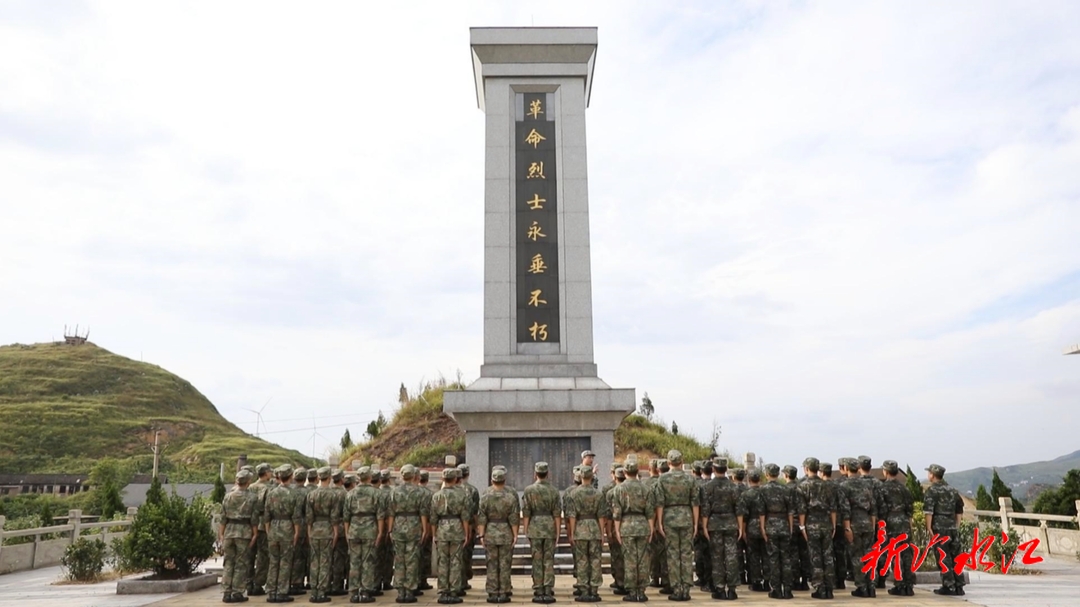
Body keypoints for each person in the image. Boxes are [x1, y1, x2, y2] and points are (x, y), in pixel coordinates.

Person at [654, 449, 699, 601]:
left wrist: (659, 522)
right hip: (686, 517)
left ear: (668, 463)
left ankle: (676, 589)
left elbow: (660, 503)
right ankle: (686, 588)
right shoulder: (690, 479)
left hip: (669, 518)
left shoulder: (662, 479)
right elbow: (695, 503)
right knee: (686, 554)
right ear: (682, 461)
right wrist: (695, 522)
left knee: (673, 555)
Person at [611, 458, 656, 603]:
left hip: (627, 526)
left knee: (629, 560)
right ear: (637, 471)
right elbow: (650, 512)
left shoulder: (618, 489)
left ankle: (631, 591)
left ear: (624, 472)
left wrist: (617, 531)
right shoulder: (645, 488)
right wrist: (650, 529)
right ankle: (641, 591)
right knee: (643, 559)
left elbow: (617, 513)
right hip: (642, 524)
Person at [795, 457, 837, 600]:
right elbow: (833, 508)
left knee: (815, 557)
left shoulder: (802, 486)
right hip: (826, 523)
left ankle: (820, 588)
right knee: (828, 557)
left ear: (806, 469)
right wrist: (833, 525)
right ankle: (829, 588)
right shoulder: (827, 486)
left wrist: (802, 527)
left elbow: (801, 510)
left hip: (811, 523)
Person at [565, 466, 609, 602]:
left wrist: (572, 533)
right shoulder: (598, 494)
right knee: (595, 560)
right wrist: (602, 533)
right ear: (591, 477)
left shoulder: (574, 494)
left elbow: (572, 516)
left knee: (582, 560)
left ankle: (583, 589)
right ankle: (594, 590)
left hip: (580, 529)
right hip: (594, 528)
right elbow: (601, 516)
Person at [477, 467, 520, 603]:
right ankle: (504, 591)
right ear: (504, 481)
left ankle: (492, 591)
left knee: (491, 563)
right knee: (505, 564)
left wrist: (481, 535)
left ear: (492, 480)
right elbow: (514, 519)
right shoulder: (510, 498)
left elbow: (482, 519)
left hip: (490, 532)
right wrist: (515, 535)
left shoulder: (485, 497)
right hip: (506, 532)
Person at [390, 465, 432, 603]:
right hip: (414, 526)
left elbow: (391, 513)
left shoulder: (394, 492)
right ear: (414, 476)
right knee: (412, 559)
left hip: (398, 525)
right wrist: (425, 529)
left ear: (402, 476)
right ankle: (409, 591)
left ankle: (400, 591)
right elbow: (423, 513)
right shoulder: (419, 492)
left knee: (399, 560)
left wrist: (390, 529)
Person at [701, 457, 742, 601]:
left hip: (714, 523)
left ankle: (719, 589)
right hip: (731, 522)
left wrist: (705, 526)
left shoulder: (708, 487)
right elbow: (739, 509)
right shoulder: (734, 486)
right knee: (731, 556)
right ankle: (732, 589)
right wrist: (740, 527)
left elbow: (705, 510)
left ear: (713, 469)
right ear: (726, 469)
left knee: (717, 557)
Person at [342, 467, 384, 604]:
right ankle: (365, 591)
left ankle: (354, 592)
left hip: (354, 529)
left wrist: (348, 533)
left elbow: (346, 517)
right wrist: (380, 532)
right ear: (370, 477)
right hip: (370, 529)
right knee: (368, 561)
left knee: (354, 562)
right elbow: (380, 516)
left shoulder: (350, 494)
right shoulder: (376, 493)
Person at [522, 461, 562, 603]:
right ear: (548, 474)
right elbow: (557, 514)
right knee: (548, 560)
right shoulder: (554, 491)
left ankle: (538, 589)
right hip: (550, 526)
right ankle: (548, 588)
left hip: (535, 527)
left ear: (535, 474)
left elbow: (526, 513)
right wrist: (557, 531)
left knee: (537, 560)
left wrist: (526, 530)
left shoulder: (529, 490)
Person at [924, 463, 965, 596]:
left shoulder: (932, 491)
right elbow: (959, 509)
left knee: (943, 556)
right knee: (956, 556)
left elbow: (929, 511)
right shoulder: (952, 490)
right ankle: (959, 585)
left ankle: (948, 585)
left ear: (932, 475)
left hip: (939, 527)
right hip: (952, 526)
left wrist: (929, 527)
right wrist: (956, 525)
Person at [264, 465, 303, 604]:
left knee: (274, 562)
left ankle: (271, 591)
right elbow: (296, 517)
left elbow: (266, 516)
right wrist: (297, 532)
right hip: (287, 529)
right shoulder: (294, 494)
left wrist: (269, 531)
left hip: (274, 528)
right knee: (285, 562)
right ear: (291, 476)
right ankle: (281, 592)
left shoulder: (271, 493)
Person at [839, 458, 877, 598]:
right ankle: (871, 586)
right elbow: (873, 508)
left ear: (847, 469)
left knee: (857, 557)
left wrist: (847, 528)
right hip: (867, 522)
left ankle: (862, 587)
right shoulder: (867, 485)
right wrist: (872, 526)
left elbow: (845, 509)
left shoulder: (844, 486)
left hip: (854, 523)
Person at [221, 469, 260, 604]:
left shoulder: (228, 496)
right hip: (244, 531)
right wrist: (255, 533)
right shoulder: (252, 497)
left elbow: (223, 517)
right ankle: (237, 591)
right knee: (241, 563)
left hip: (229, 531)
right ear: (248, 481)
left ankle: (226, 592)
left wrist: (221, 534)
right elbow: (254, 519)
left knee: (228, 562)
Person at [432, 468, 470, 604]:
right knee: (455, 561)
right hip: (457, 528)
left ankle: (443, 591)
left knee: (443, 561)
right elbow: (465, 517)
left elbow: (433, 518)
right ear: (455, 479)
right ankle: (454, 590)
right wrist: (466, 533)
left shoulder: (436, 496)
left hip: (442, 529)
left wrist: (434, 534)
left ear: (443, 479)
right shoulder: (462, 495)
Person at [759, 464, 795, 600]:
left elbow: (762, 512)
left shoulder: (763, 490)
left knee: (773, 558)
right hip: (784, 524)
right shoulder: (786, 489)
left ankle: (776, 589)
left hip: (771, 524)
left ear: (767, 474)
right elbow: (790, 511)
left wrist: (762, 528)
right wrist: (790, 527)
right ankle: (787, 589)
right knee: (786, 558)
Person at [880, 460, 914, 596]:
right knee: (907, 554)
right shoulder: (904, 489)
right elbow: (910, 509)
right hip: (904, 523)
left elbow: (881, 509)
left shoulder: (882, 489)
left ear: (886, 472)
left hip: (890, 523)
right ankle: (909, 585)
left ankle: (900, 585)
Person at [738, 469, 767, 594]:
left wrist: (742, 531)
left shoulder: (745, 494)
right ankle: (767, 581)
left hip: (751, 527)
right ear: (759, 480)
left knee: (753, 556)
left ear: (749, 481)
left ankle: (755, 582)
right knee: (766, 555)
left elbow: (744, 516)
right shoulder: (765, 493)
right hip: (765, 526)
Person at [782, 465, 811, 591]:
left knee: (792, 554)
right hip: (803, 523)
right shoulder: (802, 487)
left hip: (791, 525)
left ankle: (794, 580)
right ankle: (805, 580)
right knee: (804, 553)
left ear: (786, 475)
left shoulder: (784, 490)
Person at [249, 463, 274, 597]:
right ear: (265, 473)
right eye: (270, 471)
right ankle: (258, 584)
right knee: (263, 557)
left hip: (250, 525)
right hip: (263, 526)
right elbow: (268, 510)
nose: (271, 473)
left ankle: (248, 583)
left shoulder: (250, 487)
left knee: (250, 556)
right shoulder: (268, 488)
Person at [605, 465, 628, 595]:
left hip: (616, 526)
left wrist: (608, 531)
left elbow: (609, 515)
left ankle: (621, 582)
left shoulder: (611, 492)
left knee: (618, 556)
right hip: (633, 526)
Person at [457, 464, 480, 591]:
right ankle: (463, 580)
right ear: (468, 474)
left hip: (452, 527)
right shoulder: (472, 490)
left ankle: (456, 582)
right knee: (466, 555)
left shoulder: (452, 488)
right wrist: (476, 528)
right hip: (469, 526)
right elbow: (475, 513)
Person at [289, 468, 310, 597]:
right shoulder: (307, 493)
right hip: (301, 526)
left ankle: (289, 581)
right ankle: (297, 582)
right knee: (300, 557)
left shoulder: (290, 492)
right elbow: (308, 513)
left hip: (287, 526)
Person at [694, 461, 713, 590]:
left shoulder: (697, 485)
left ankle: (701, 578)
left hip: (700, 523)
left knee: (699, 551)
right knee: (712, 553)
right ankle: (710, 580)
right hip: (715, 522)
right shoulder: (713, 485)